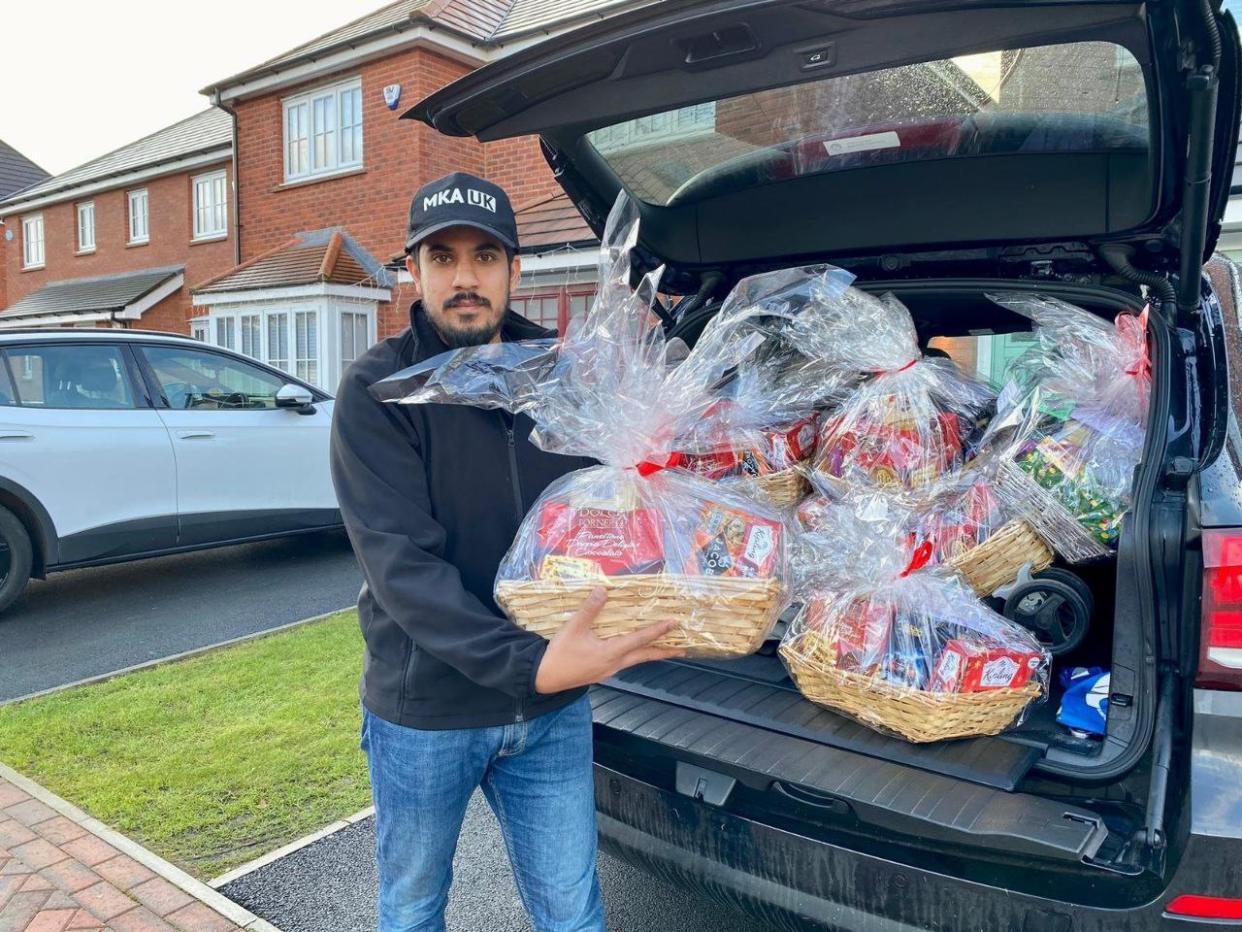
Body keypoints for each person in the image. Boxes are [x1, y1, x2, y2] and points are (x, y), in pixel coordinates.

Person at [330, 172, 681, 932]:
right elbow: (401, 566)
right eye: (443, 257)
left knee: (572, 912)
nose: (465, 277)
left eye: (485, 256)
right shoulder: (378, 389)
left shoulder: (566, 371)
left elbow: (611, 513)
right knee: (415, 907)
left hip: (552, 712)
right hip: (428, 710)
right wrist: (531, 664)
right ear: (412, 271)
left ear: (514, 270)